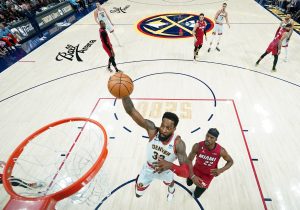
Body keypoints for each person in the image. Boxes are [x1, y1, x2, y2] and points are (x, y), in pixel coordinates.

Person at [122, 96, 190, 201]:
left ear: (174, 129)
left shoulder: (178, 144)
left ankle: (171, 191)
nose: (163, 130)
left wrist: (171, 165)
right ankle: (141, 179)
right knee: (138, 194)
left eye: (168, 128)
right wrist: (124, 95)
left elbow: (186, 172)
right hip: (149, 169)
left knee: (170, 183)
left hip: (166, 171)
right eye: (162, 126)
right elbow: (131, 110)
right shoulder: (152, 131)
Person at [186, 128, 233, 198]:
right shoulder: (197, 146)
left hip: (208, 175)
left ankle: (195, 194)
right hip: (195, 170)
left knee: (196, 195)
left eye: (211, 137)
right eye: (207, 136)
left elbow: (230, 161)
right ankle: (190, 180)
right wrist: (192, 176)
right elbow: (189, 160)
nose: (208, 139)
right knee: (189, 183)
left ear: (216, 139)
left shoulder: (221, 151)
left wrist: (220, 170)